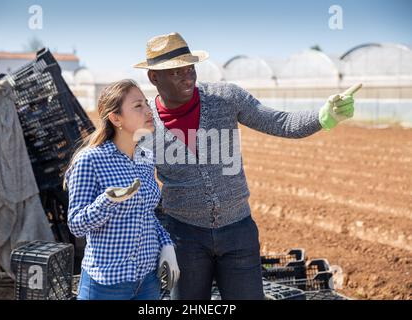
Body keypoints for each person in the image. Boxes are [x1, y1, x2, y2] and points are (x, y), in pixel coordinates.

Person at [134, 32, 358, 300]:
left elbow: (280, 122)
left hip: (238, 232)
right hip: (184, 238)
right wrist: (163, 242)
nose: (188, 76)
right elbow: (137, 183)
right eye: (176, 72)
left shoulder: (225, 97)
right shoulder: (143, 122)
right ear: (154, 77)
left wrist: (323, 116)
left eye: (190, 68)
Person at [64, 79, 179, 300]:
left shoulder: (145, 158)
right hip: (105, 285)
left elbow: (146, 215)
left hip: (147, 281)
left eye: (146, 103)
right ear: (116, 118)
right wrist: (107, 201)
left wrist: (166, 245)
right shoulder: (90, 160)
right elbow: (76, 224)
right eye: (138, 106)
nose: (148, 110)